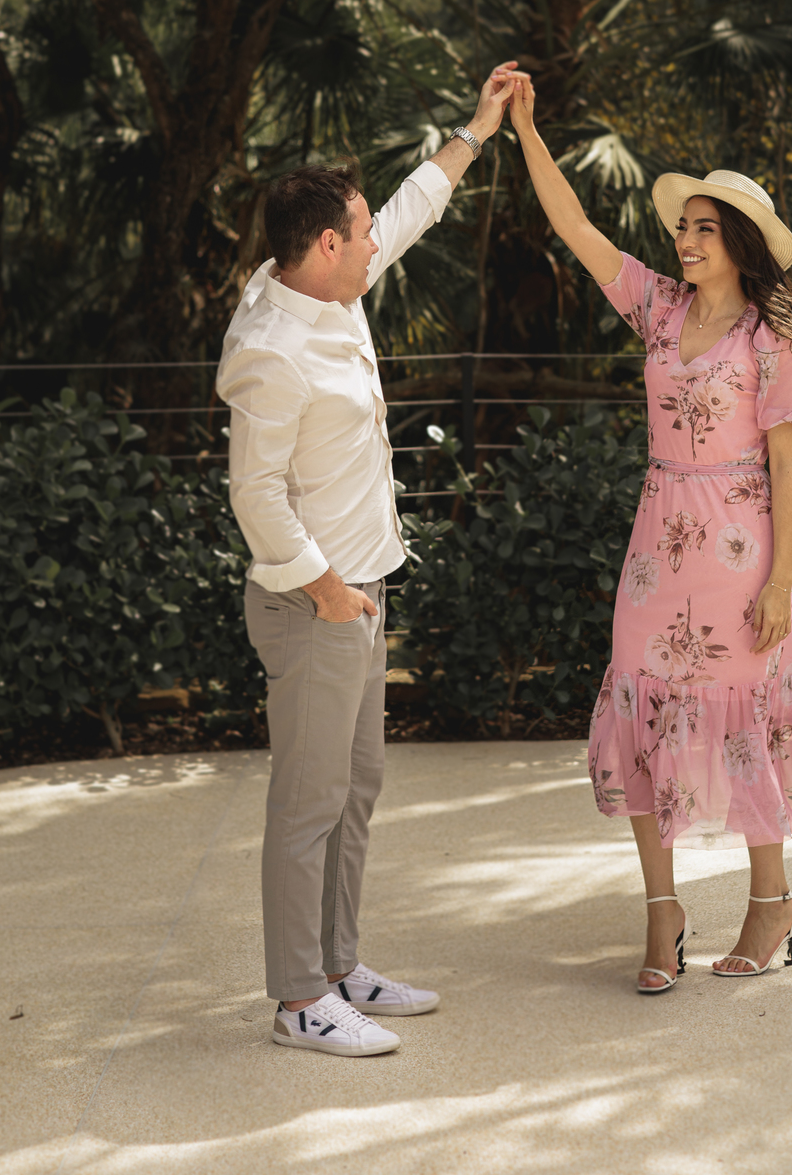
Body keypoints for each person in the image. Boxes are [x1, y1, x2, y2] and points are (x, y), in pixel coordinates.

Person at [507, 76, 792, 991]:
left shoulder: (769, 341)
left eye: (706, 228)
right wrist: (526, 132)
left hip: (741, 553)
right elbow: (579, 231)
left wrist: (782, 581)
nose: (687, 238)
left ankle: (772, 901)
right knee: (640, 702)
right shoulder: (659, 307)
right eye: (684, 226)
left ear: (739, 244)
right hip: (657, 544)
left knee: (751, 720)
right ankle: (661, 916)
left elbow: (788, 468)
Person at [217, 64, 518, 1057]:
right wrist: (329, 590)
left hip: (358, 593)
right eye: (360, 232)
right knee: (309, 804)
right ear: (325, 246)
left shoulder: (329, 290)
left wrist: (476, 130)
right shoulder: (273, 347)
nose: (375, 241)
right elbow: (255, 495)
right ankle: (301, 999)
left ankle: (341, 969)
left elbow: (410, 208)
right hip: (316, 606)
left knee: (356, 788)